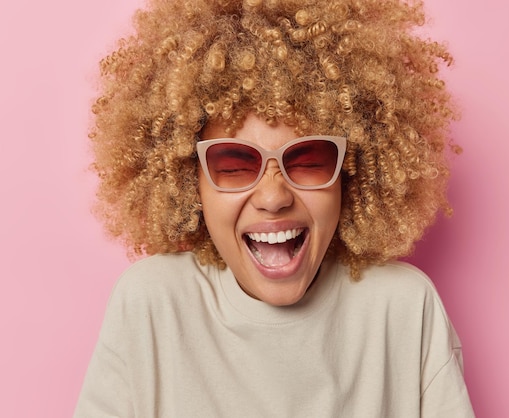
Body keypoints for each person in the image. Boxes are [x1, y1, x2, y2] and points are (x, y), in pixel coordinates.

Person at [74, 0, 475, 416]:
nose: (273, 197)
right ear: (187, 178)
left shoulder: (404, 310)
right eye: (233, 164)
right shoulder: (151, 305)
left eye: (308, 159)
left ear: (350, 173)